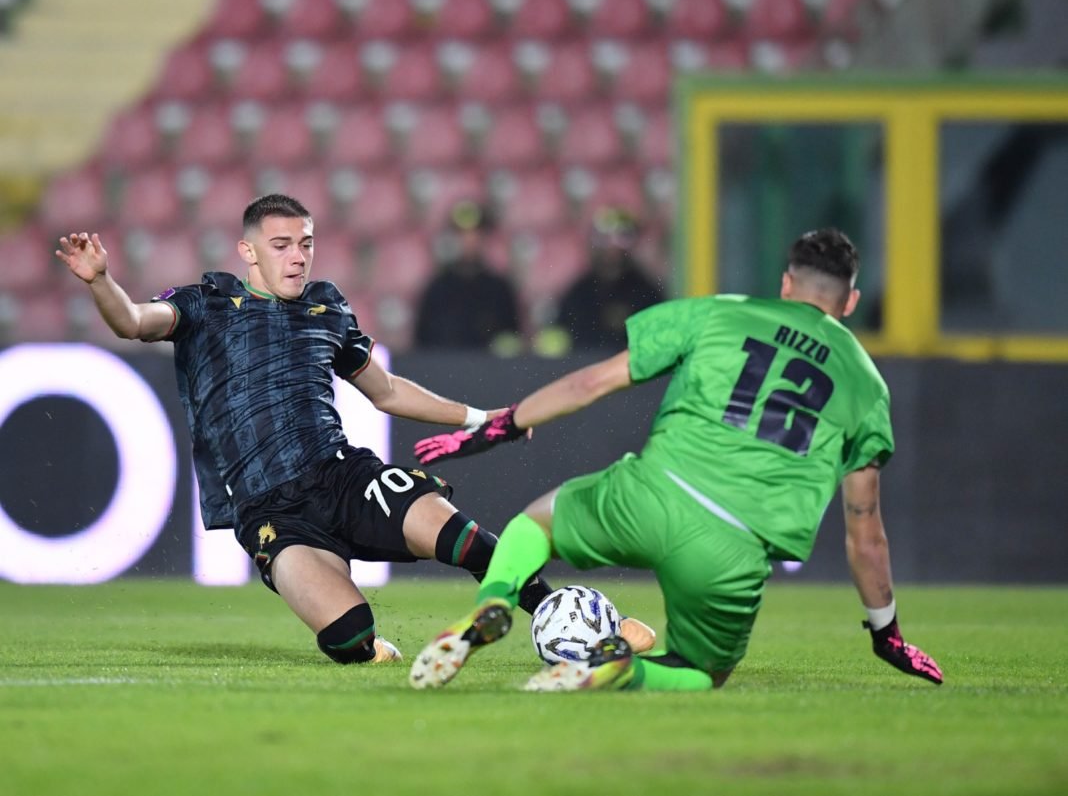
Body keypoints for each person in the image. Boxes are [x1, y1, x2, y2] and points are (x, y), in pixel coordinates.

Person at [52, 193, 580, 667]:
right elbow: (133, 322)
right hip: (270, 511)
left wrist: (479, 418)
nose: (298, 256)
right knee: (350, 641)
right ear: (248, 251)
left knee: (465, 540)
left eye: (305, 244)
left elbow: (387, 390)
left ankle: (564, 620)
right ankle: (369, 645)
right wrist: (100, 281)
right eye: (281, 245)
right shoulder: (205, 304)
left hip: (342, 476)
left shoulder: (325, 308)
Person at [408, 228, 943, 692]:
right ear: (848, 303)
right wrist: (886, 632)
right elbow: (865, 530)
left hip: (654, 492)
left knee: (535, 526)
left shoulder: (719, 313)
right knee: (702, 671)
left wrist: (504, 425)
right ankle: (622, 673)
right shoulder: (866, 386)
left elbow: (593, 381)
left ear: (785, 284)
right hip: (734, 546)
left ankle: (491, 604)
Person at [414, 200, 521, 352]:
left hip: (490, 373)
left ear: (484, 238)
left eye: (475, 234)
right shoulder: (436, 290)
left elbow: (514, 341)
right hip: (445, 371)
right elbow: (422, 346)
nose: (469, 241)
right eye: (462, 234)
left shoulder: (500, 290)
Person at [554, 206, 661, 352]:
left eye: (623, 236)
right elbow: (559, 341)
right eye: (604, 237)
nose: (613, 246)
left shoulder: (648, 293)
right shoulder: (577, 293)